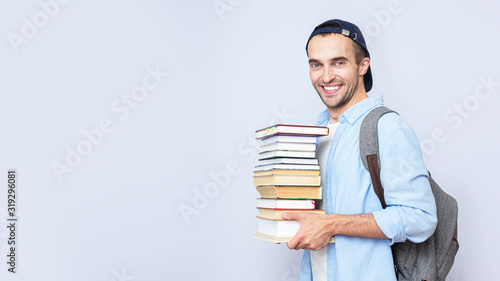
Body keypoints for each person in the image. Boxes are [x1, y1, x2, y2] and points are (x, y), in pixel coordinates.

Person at [280, 19, 438, 281]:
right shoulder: (317, 133)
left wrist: (332, 224)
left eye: (338, 62)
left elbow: (421, 218)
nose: (326, 76)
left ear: (363, 65)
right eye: (316, 64)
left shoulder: (388, 129)